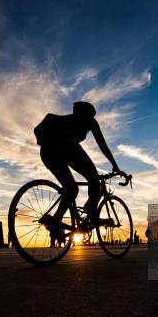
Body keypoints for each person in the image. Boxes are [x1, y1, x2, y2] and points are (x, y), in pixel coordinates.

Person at [34, 101, 126, 242]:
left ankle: (55, 221)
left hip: (47, 153)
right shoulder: (83, 122)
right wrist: (115, 165)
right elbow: (102, 145)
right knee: (94, 179)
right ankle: (92, 213)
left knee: (71, 189)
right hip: (62, 150)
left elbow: (102, 144)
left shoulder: (73, 120)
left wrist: (114, 164)